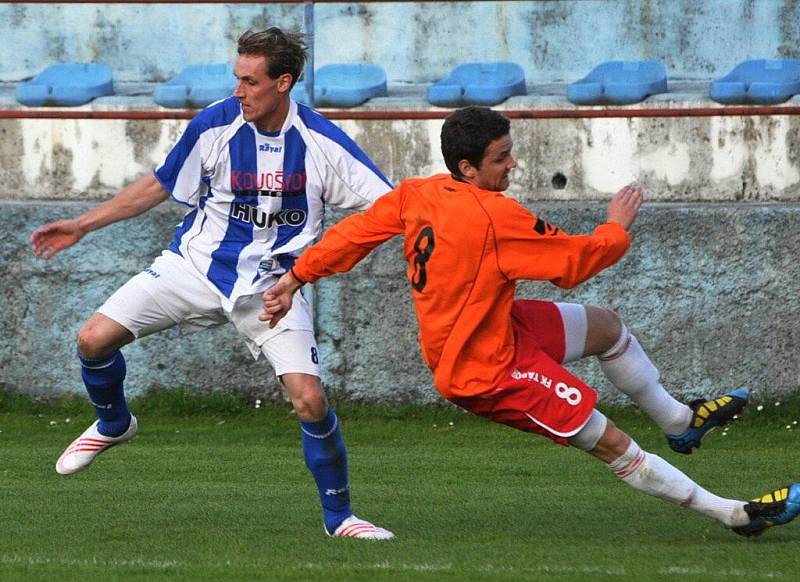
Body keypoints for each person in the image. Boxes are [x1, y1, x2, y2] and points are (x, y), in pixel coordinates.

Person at [262, 106, 800, 538]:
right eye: (501, 159)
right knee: (612, 444)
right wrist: (614, 228)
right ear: (468, 168)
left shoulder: (417, 193)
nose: (512, 165)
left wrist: (294, 279)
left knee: (605, 326)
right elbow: (574, 263)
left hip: (496, 325)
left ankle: (681, 423)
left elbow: (350, 236)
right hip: (485, 369)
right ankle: (735, 514)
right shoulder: (496, 218)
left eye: (510, 153)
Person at [30, 27, 394, 541]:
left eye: (250, 81)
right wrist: (83, 225)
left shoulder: (322, 144)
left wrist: (310, 269)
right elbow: (159, 185)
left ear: (283, 82)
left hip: (272, 288)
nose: (238, 91)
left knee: (310, 401)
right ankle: (114, 423)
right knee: (91, 338)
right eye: (236, 79)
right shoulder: (215, 125)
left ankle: (341, 519)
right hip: (194, 269)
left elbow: (389, 210)